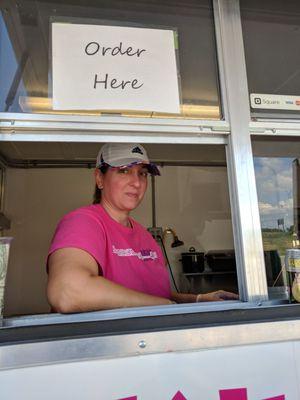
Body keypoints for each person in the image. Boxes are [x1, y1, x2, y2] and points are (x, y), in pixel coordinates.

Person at [47, 143, 238, 313]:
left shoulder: (144, 236)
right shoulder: (83, 222)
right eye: (124, 171)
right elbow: (68, 293)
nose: (137, 182)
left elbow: (150, 295)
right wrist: (164, 307)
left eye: (142, 173)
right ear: (99, 178)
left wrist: (197, 299)